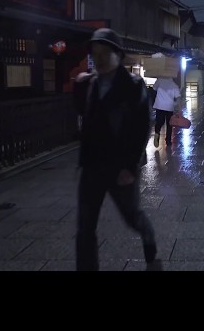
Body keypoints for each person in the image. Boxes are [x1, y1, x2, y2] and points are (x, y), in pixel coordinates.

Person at [72, 27, 156, 271]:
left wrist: (130, 165)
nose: (98, 59)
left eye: (104, 53)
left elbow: (142, 128)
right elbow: (81, 114)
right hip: (91, 166)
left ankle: (150, 246)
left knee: (132, 217)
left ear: (118, 56)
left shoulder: (133, 85)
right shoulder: (90, 84)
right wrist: (78, 86)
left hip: (120, 167)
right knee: (85, 227)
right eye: (95, 54)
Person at [152, 76, 182, 147]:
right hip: (169, 107)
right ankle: (168, 140)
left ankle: (157, 132)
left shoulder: (160, 80)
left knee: (159, 121)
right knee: (169, 124)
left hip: (159, 105)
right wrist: (179, 109)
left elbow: (154, 88)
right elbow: (178, 98)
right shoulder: (174, 85)